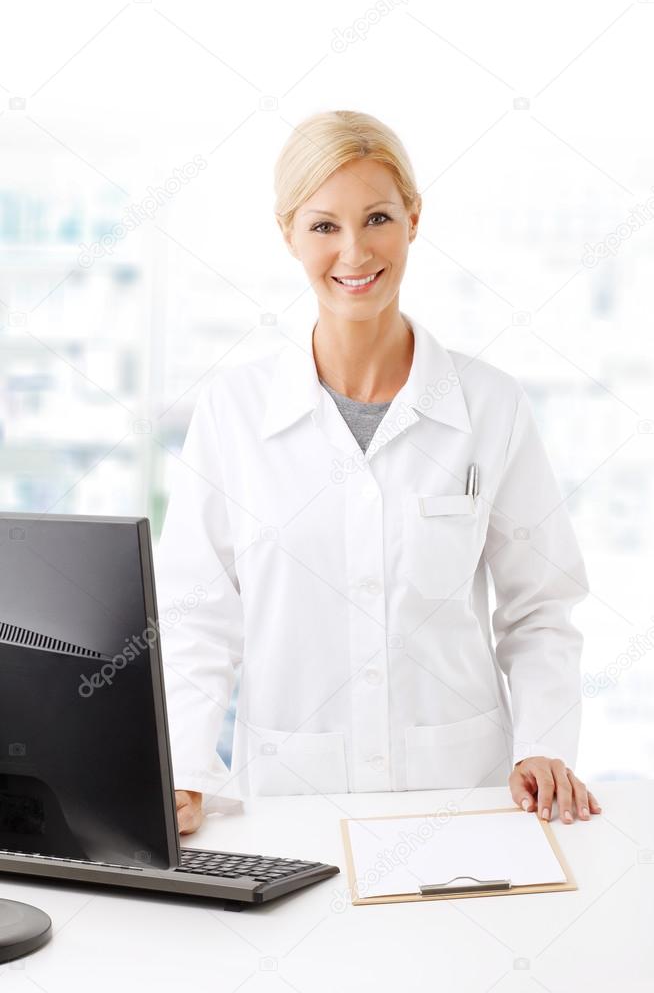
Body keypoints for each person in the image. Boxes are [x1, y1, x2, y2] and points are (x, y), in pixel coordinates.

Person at [155, 109, 602, 836]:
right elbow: (197, 619)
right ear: (288, 233)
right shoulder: (233, 413)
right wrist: (184, 767)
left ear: (414, 220)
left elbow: (541, 607)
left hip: (464, 799)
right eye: (324, 225)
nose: (355, 251)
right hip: (291, 803)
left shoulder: (489, 405)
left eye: (378, 218)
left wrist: (544, 743)